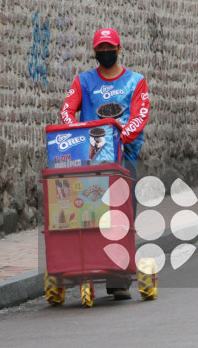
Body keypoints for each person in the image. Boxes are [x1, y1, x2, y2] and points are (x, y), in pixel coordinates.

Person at [61, 27, 150, 300]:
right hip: (89, 163)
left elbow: (140, 114)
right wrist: (77, 132)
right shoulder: (84, 81)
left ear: (119, 49)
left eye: (109, 48)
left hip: (123, 159)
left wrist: (120, 137)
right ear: (94, 51)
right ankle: (86, 265)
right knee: (89, 215)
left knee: (121, 217)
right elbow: (67, 110)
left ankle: (118, 278)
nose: (105, 53)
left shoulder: (136, 81)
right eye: (100, 49)